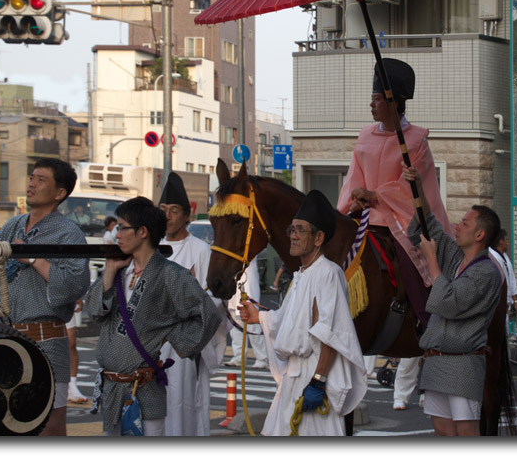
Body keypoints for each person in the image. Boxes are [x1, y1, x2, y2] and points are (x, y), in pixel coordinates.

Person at [86, 196, 222, 436]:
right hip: (112, 388)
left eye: (122, 228)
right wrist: (109, 271)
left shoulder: (170, 274)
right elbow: (95, 311)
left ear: (142, 232)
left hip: (143, 387)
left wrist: (171, 334)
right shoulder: (120, 270)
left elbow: (207, 314)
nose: (117, 235)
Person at [0, 158, 90, 436]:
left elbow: (75, 285)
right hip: (5, 339)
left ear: (60, 193)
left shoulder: (69, 233)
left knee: (50, 426)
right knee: (5, 421)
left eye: (41, 179)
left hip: (46, 338)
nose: (31, 183)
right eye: (32, 177)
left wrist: (34, 258)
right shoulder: (12, 225)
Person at [239, 190, 367, 436]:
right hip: (293, 378)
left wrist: (318, 381)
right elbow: (287, 319)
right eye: (292, 230)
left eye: (300, 230)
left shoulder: (328, 273)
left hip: (313, 378)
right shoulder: (301, 274)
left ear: (319, 238)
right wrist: (259, 316)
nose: (293, 236)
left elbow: (329, 331)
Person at [337, 58, 453, 326]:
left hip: (400, 219)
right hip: (364, 215)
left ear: (394, 102)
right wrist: (353, 201)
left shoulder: (415, 141)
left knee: (409, 262)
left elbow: (410, 189)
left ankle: (427, 321)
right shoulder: (365, 135)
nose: (371, 104)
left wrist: (374, 195)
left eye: (376, 99)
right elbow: (353, 178)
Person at [403, 164, 503, 436]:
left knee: (466, 432)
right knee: (443, 431)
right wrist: (418, 185)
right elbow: (428, 224)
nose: (457, 226)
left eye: (465, 223)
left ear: (480, 235)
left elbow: (448, 302)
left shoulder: (486, 271)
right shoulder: (455, 255)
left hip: (463, 361)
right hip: (436, 359)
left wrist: (432, 260)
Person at [157, 172, 228, 436]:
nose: (167, 216)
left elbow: (215, 299)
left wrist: (186, 302)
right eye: (163, 210)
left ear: (188, 214)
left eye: (173, 211)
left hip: (185, 346)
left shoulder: (201, 250)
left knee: (185, 404)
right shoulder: (151, 248)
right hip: (152, 345)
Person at [226, 255, 269, 369]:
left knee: (253, 327)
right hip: (233, 290)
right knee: (235, 327)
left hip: (247, 288)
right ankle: (238, 357)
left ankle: (262, 358)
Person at [488, 230, 517, 324]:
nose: (508, 243)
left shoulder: (505, 256)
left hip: (506, 304)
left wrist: (516, 302)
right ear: (501, 241)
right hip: (497, 304)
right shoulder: (491, 256)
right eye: (506, 240)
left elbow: (511, 280)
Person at [67, 298, 89, 403]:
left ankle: (72, 386)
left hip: (64, 297)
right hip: (38, 297)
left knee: (71, 342)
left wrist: (76, 295)